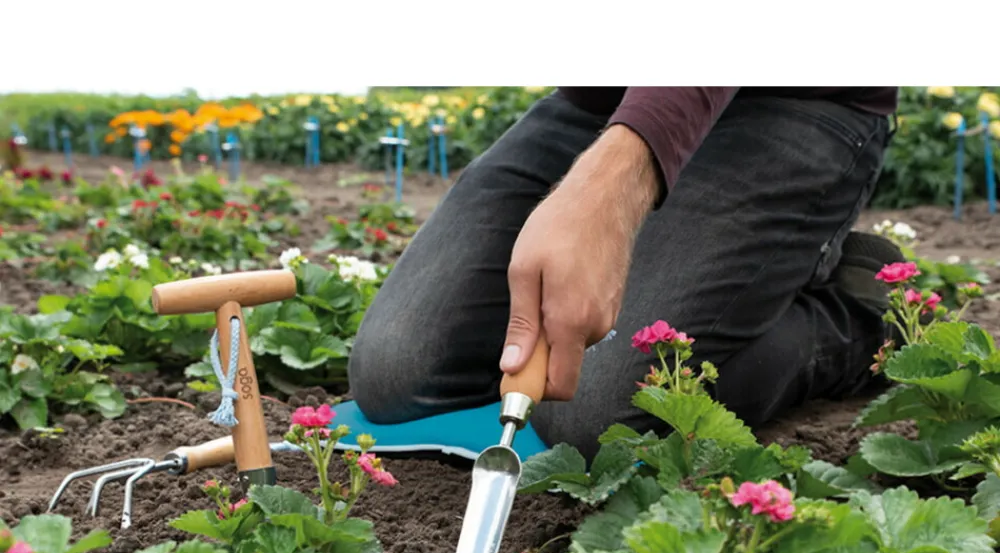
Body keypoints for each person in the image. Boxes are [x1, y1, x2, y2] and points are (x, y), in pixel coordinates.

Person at [348, 87, 903, 461]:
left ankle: (861, 319)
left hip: (793, 102)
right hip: (602, 98)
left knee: (595, 417)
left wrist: (611, 187)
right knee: (396, 374)